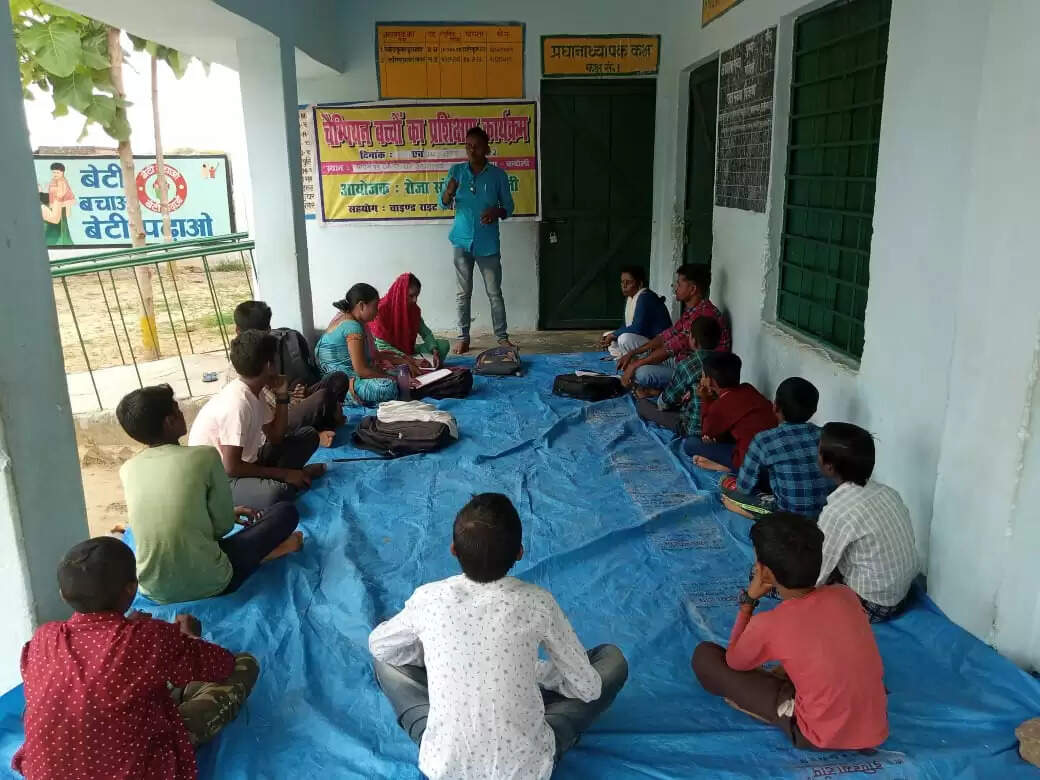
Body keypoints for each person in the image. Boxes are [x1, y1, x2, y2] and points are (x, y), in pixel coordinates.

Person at [369, 493, 628, 780]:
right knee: (611, 660)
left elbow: (379, 646)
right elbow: (588, 689)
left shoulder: (429, 598)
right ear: (520, 552)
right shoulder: (538, 602)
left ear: (453, 550)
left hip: (447, 767)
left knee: (386, 658)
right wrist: (539, 674)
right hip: (525, 769)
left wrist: (439, 659)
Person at [12, 537, 260, 780]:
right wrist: (190, 637)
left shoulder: (43, 639)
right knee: (243, 665)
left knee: (91, 693)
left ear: (63, 595)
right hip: (139, 769)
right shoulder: (147, 638)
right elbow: (221, 664)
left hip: (47, 771)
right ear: (132, 588)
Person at [691, 514, 888, 751]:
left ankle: (782, 711)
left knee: (705, 657)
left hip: (818, 734)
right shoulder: (844, 594)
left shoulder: (770, 624)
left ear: (765, 573)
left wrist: (748, 602)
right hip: (874, 725)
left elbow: (734, 662)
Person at [117, 384, 302, 603]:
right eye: (177, 409)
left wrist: (219, 515)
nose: (182, 413)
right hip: (213, 582)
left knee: (192, 546)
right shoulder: (204, 456)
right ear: (169, 422)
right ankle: (271, 552)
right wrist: (224, 516)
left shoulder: (127, 469)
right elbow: (223, 527)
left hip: (154, 590)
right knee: (285, 512)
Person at [188, 329, 326, 509]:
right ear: (269, 366)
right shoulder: (238, 403)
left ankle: (289, 478)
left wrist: (282, 395)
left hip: (247, 462)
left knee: (309, 435)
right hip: (220, 480)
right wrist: (285, 474)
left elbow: (276, 437)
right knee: (277, 494)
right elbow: (231, 467)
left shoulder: (255, 391)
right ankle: (290, 479)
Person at [816, 422, 918, 622]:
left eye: (818, 450)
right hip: (902, 593)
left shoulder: (837, 512)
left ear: (829, 466)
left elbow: (817, 572)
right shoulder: (888, 493)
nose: (816, 455)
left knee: (788, 578)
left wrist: (791, 589)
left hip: (872, 605)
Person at [698, 377, 833, 518]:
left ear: (775, 407)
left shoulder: (764, 439)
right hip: (825, 514)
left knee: (726, 481)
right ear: (814, 410)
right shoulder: (825, 435)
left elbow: (744, 488)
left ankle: (751, 512)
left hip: (789, 519)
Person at [440, 126, 515, 354]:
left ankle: (502, 338)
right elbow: (442, 203)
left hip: (487, 244)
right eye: (468, 146)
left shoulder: (498, 175)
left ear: (487, 149)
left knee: (494, 293)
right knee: (463, 294)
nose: (472, 151)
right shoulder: (456, 172)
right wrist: (449, 191)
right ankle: (463, 337)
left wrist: (496, 212)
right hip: (461, 242)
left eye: (477, 146)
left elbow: (509, 207)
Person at [230, 300, 346, 443]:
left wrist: (296, 394)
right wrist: (295, 399)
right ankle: (316, 431)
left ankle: (323, 421)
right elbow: (273, 413)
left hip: (281, 404)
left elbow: (276, 392)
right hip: (274, 421)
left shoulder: (263, 354)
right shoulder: (246, 366)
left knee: (337, 379)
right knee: (322, 397)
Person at [616, 264, 731, 391]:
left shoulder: (703, 314)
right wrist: (632, 353)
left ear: (693, 289)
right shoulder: (692, 310)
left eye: (679, 284)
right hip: (680, 360)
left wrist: (635, 365)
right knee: (629, 341)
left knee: (640, 373)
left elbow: (670, 348)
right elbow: (665, 336)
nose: (675, 288)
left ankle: (668, 391)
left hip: (696, 374)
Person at [684, 352, 776, 470]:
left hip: (750, 463)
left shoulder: (721, 404)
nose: (701, 380)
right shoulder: (748, 387)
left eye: (702, 376)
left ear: (710, 381)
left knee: (690, 444)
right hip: (773, 455)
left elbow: (706, 432)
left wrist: (706, 398)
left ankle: (725, 467)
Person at [314, 283, 402, 406]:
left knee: (398, 374)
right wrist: (393, 378)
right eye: (375, 307)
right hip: (339, 385)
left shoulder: (343, 319)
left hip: (334, 380)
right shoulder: (353, 327)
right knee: (389, 387)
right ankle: (346, 398)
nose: (377, 312)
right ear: (361, 305)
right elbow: (362, 371)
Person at [636, 316, 721, 436]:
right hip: (720, 429)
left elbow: (665, 403)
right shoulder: (727, 362)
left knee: (643, 405)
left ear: (693, 341)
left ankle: (650, 397)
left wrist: (661, 401)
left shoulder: (687, 365)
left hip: (693, 428)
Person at [370, 273, 451, 367]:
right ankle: (411, 366)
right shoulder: (381, 310)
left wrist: (434, 350)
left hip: (408, 351)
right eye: (411, 296)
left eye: (417, 296)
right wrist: (411, 360)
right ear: (400, 293)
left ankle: (415, 366)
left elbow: (426, 333)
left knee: (443, 345)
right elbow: (383, 347)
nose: (415, 300)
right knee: (384, 362)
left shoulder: (413, 310)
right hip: (390, 355)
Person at [599, 265, 672, 359]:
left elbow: (638, 328)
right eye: (622, 282)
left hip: (658, 344)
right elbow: (625, 326)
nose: (624, 286)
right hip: (643, 338)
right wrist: (612, 335)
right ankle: (622, 357)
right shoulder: (630, 298)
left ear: (640, 284)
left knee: (624, 339)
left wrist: (614, 335)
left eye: (628, 282)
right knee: (607, 335)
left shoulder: (645, 297)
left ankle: (633, 359)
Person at [41, 162, 75, 246]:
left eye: (57, 172)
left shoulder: (62, 182)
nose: (55, 174)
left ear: (62, 173)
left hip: (59, 202)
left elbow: (65, 195)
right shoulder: (54, 181)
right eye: (54, 172)